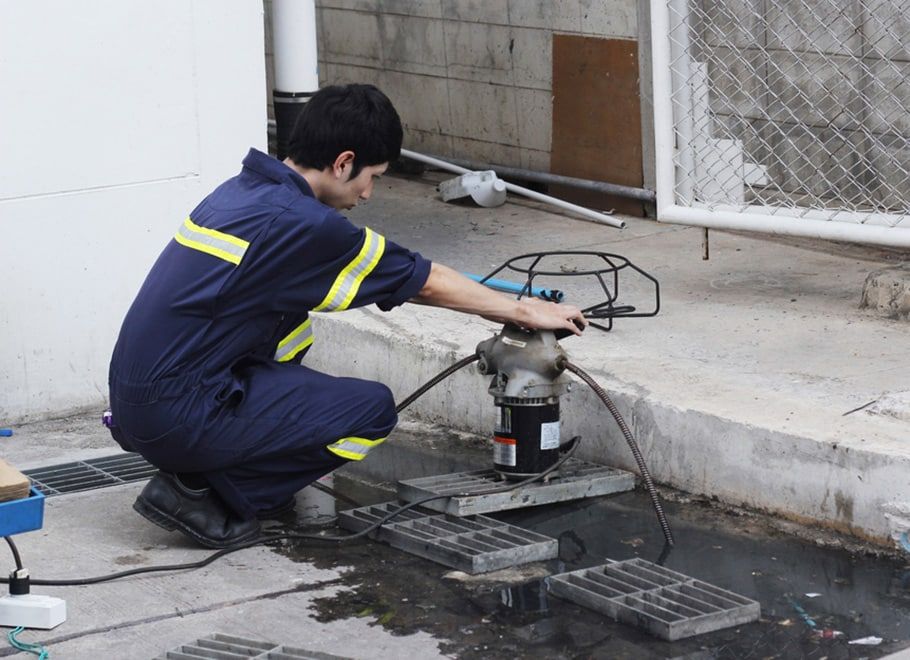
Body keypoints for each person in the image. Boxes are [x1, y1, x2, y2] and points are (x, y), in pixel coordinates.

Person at [107, 84, 586, 548]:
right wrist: (523, 309)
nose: (369, 194)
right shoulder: (302, 225)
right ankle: (203, 497)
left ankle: (207, 467)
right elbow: (423, 280)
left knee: (293, 327)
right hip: (177, 414)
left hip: (139, 405)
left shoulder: (244, 192)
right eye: (372, 176)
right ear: (343, 163)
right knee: (371, 411)